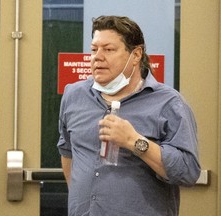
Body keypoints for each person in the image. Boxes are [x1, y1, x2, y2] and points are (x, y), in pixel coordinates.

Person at [57, 15, 201, 216]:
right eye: (93, 49)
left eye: (108, 49)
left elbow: (188, 172)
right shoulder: (74, 95)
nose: (97, 57)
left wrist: (135, 141)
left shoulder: (169, 103)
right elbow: (68, 152)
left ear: (136, 55)